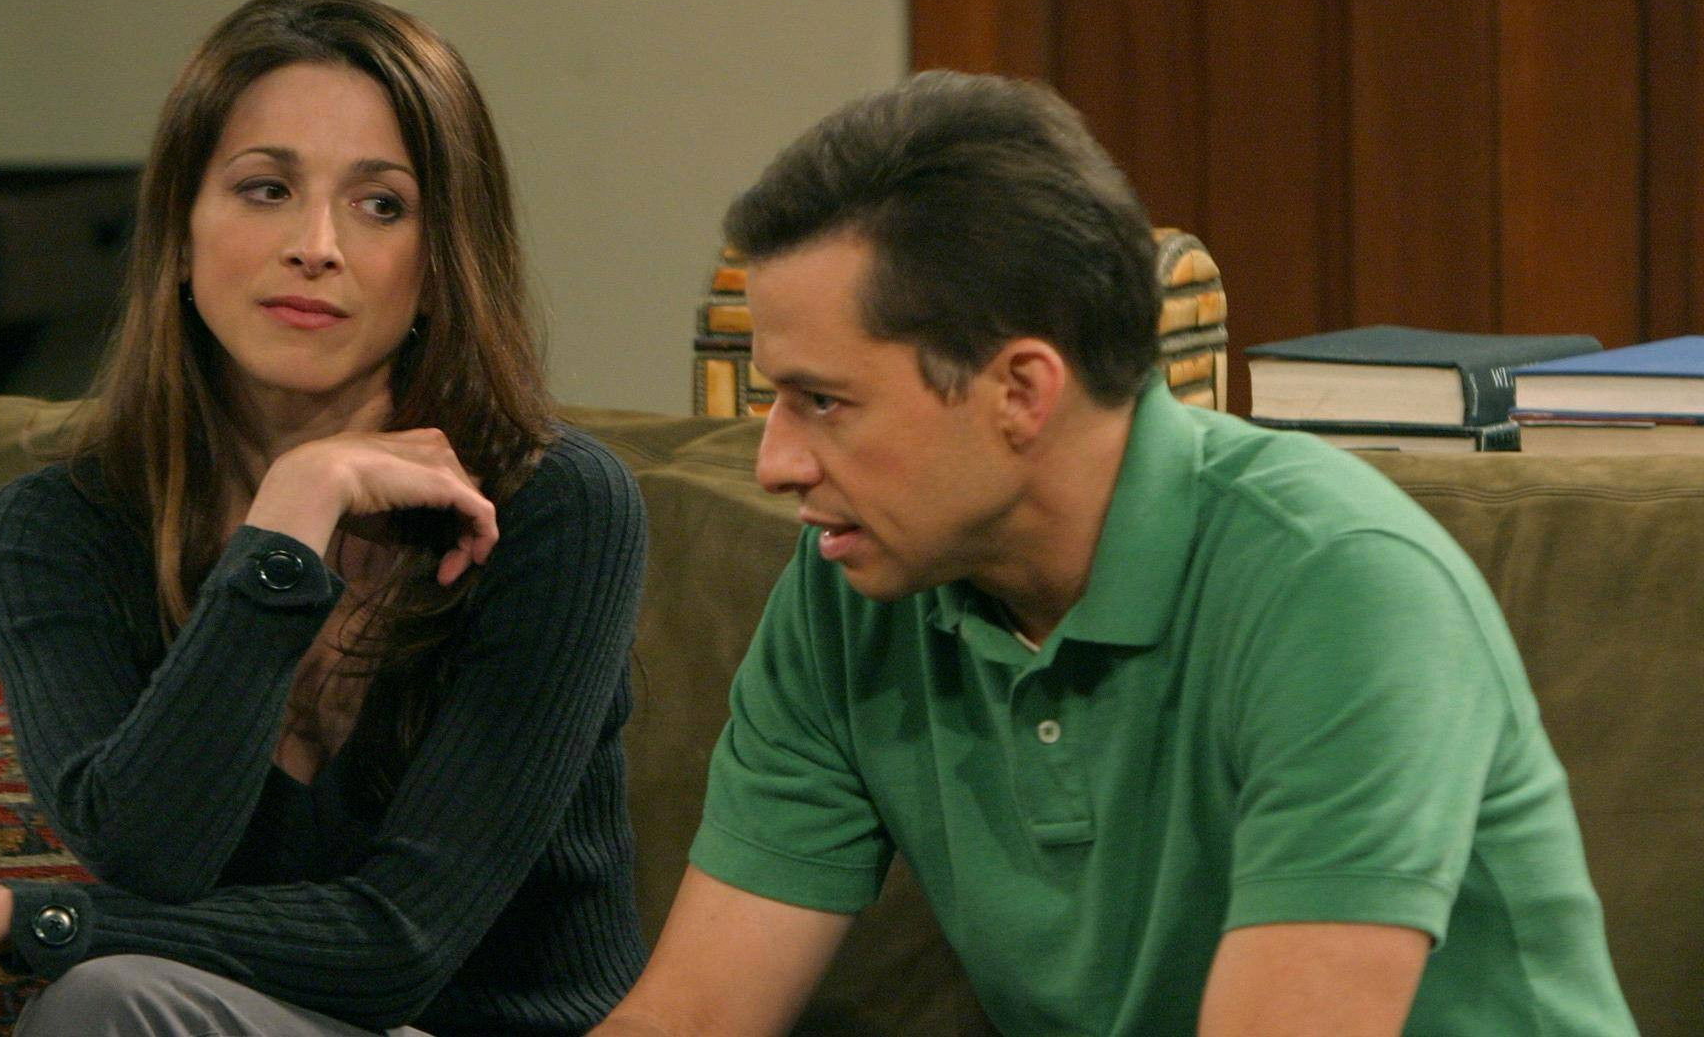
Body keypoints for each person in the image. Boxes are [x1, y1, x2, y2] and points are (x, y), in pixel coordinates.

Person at [593, 72, 1637, 1036]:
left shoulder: (1340, 583)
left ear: (1020, 391)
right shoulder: (849, 587)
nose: (774, 464)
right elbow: (690, 1019)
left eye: (823, 402)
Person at [0, 0, 648, 1037]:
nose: (316, 244)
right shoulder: (57, 530)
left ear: (438, 266)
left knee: (105, 998)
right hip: (224, 1017)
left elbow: (403, 946)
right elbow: (154, 851)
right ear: (181, 235)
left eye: (381, 205)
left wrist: (18, 916)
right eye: (265, 189)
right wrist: (290, 523)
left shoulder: (555, 504)